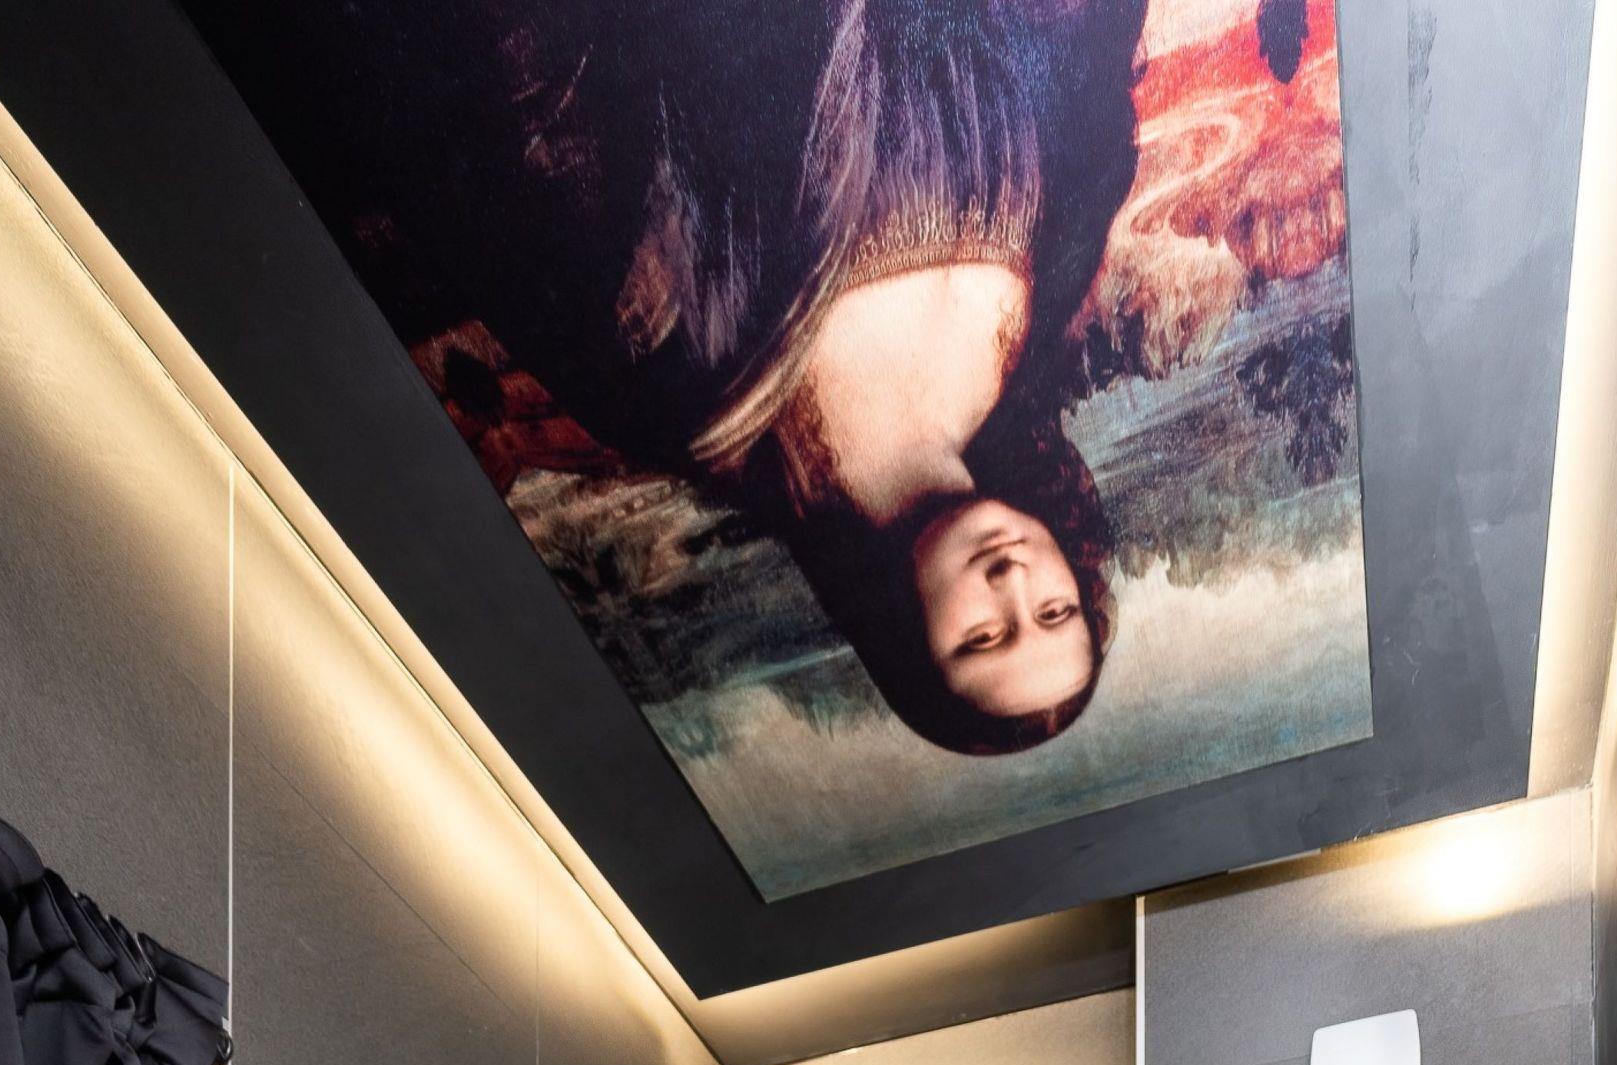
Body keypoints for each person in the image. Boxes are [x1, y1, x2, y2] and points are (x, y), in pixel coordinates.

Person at [203, 0, 1146, 752]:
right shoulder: (1033, 331)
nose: (1012, 583)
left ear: (910, 635)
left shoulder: (696, 401)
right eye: (1052, 609)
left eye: (985, 637)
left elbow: (535, 110)